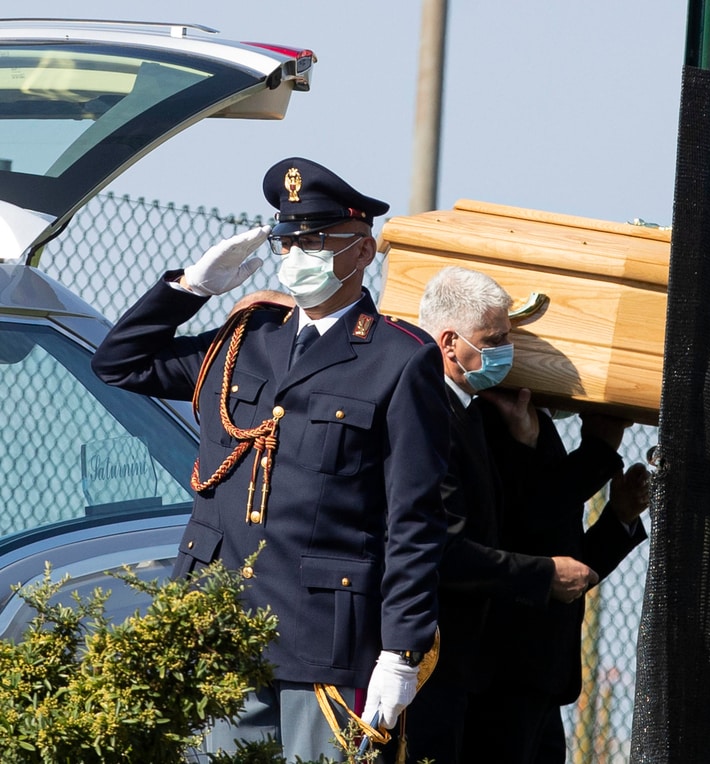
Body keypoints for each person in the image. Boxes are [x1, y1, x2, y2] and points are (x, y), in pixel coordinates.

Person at [90, 157, 450, 762]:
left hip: (322, 638)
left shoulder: (399, 358)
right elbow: (119, 363)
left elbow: (413, 520)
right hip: (217, 623)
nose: (296, 255)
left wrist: (402, 650)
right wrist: (190, 289)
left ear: (363, 251)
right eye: (288, 241)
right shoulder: (247, 338)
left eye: (316, 241)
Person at [384, 265, 617, 764]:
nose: (509, 352)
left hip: (474, 665)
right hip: (434, 658)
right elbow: (445, 550)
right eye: (495, 340)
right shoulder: (432, 417)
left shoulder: (470, 413)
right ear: (450, 343)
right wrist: (543, 574)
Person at [462, 385, 649, 764]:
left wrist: (618, 520)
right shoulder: (491, 417)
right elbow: (524, 518)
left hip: (539, 675)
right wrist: (599, 447)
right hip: (502, 671)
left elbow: (562, 566)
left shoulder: (536, 426)